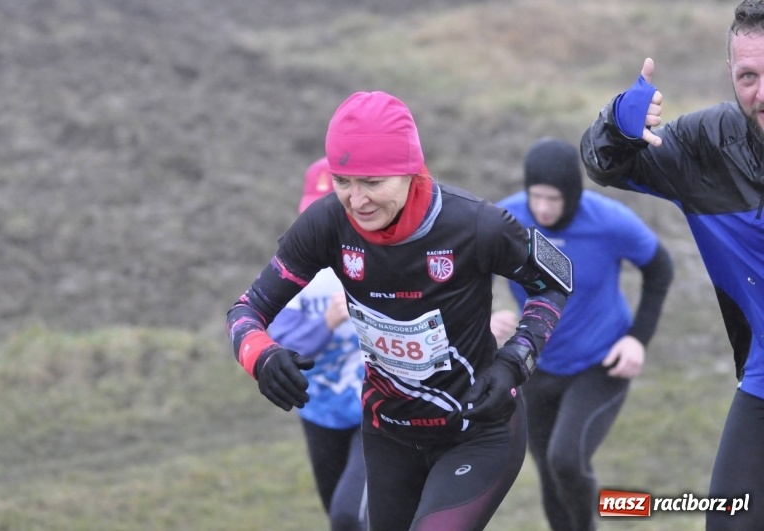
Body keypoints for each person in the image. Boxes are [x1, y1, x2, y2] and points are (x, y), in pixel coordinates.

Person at [227, 90, 571, 531]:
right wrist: (262, 356)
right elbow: (245, 311)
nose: (356, 200)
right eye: (343, 181)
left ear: (411, 170)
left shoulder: (476, 224)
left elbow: (554, 283)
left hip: (478, 431)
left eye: (372, 182)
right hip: (388, 432)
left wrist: (514, 361)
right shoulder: (326, 223)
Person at [580, 2, 764, 528]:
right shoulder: (710, 146)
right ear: (731, 75)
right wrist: (619, 125)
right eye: (748, 76)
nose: (762, 94)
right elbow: (605, 164)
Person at [491, 137, 673, 531]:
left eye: (553, 198)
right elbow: (464, 273)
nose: (542, 208)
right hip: (535, 364)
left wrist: (637, 338)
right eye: (535, 196)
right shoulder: (506, 221)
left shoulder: (609, 221)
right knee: (550, 474)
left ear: (572, 194)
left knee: (566, 459)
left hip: (601, 362)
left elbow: (660, 268)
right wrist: (489, 314)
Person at [266, 157, 368, 531]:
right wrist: (327, 322)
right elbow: (284, 349)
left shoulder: (376, 263)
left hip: (374, 411)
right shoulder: (291, 271)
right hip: (319, 412)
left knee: (348, 515)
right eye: (314, 212)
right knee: (339, 518)